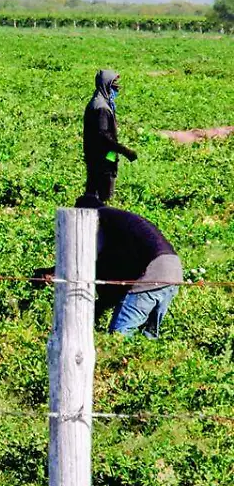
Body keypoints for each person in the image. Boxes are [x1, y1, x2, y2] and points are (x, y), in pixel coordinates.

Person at [76, 194, 182, 339]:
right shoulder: (119, 219)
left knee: (119, 336)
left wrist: (54, 272)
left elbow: (87, 259)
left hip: (153, 272)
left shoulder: (98, 218)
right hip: (174, 270)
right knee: (148, 338)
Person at [83, 69, 137, 203]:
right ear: (106, 84)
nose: (117, 87)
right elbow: (104, 136)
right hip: (102, 158)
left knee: (93, 193)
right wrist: (126, 151)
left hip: (103, 156)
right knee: (104, 197)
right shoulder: (101, 107)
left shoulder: (100, 102)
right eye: (114, 84)